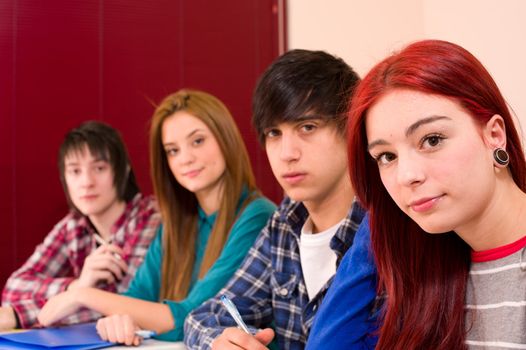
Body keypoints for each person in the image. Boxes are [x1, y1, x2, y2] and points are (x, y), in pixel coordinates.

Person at [37, 89, 276, 345]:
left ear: (225, 138)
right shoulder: (178, 223)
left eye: (197, 141)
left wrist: (83, 295)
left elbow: (191, 316)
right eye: (172, 151)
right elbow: (135, 298)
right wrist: (117, 319)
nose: (185, 159)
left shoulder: (257, 217)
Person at [185, 49, 377, 350]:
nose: (287, 153)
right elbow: (205, 316)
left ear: (350, 129)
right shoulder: (286, 221)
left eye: (307, 127)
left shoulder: (384, 227)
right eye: (274, 133)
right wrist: (221, 343)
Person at [343, 39, 526, 349]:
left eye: (431, 140)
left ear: (494, 134)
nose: (407, 176)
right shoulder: (424, 273)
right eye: (387, 157)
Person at [0, 120, 161, 330]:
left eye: (100, 168)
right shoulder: (73, 225)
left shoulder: (149, 216)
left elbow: (126, 301)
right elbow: (14, 288)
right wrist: (77, 286)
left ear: (124, 170)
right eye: (75, 171)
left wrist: (17, 315)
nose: (86, 182)